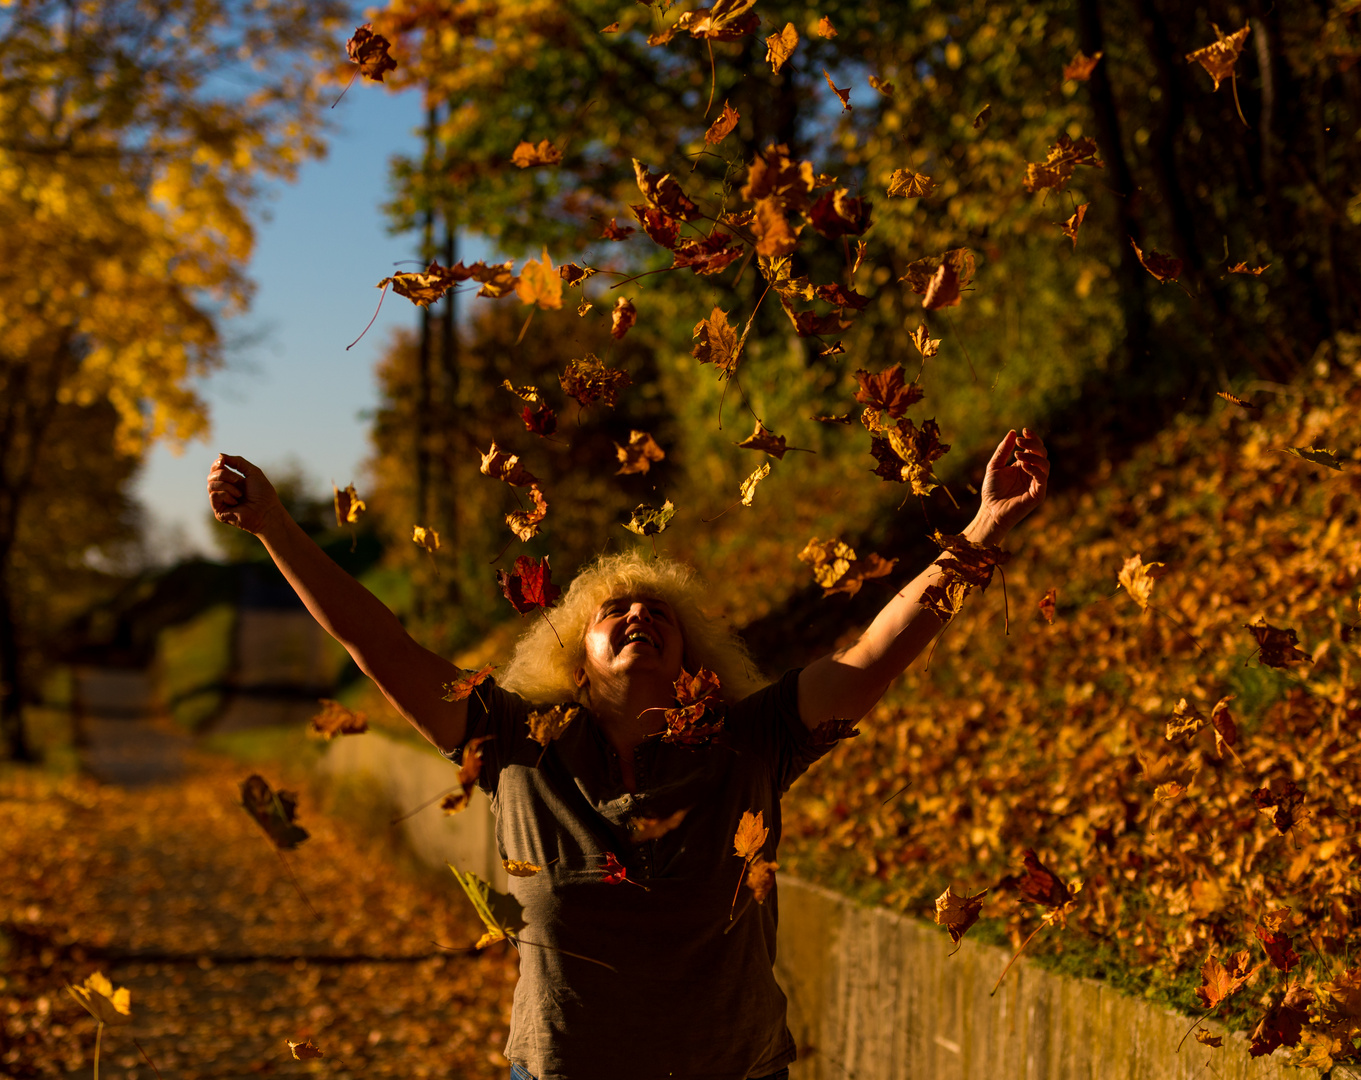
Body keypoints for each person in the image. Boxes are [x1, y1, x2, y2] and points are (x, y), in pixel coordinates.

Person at [206, 428, 1049, 1080]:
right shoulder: (511, 743)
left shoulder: (749, 741)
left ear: (693, 657)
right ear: (577, 653)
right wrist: (274, 525)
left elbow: (871, 658)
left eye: (661, 614)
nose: (639, 617)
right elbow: (376, 642)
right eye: (617, 612)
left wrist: (981, 526)